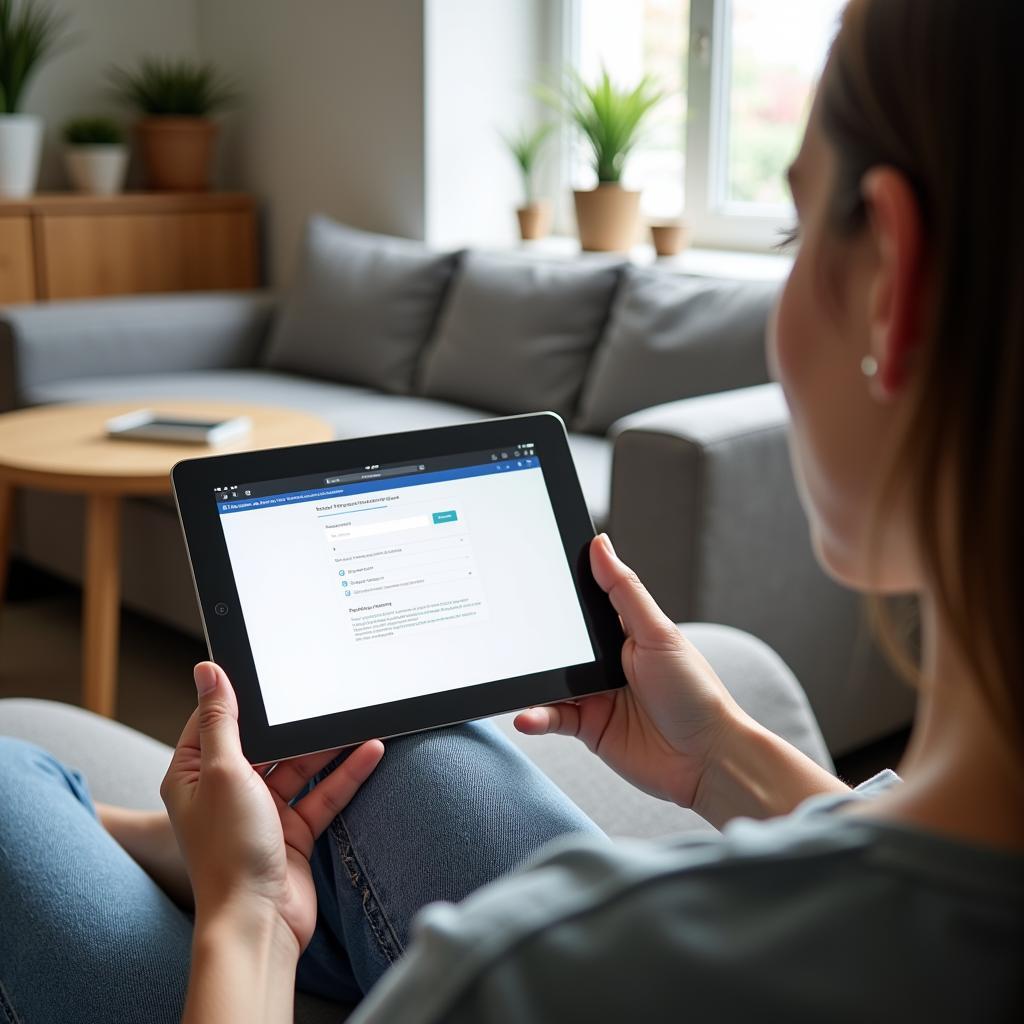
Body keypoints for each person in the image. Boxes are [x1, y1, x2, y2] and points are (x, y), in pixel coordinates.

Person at [1, 0, 1022, 1020]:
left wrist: (251, 917)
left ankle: (187, 852)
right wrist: (716, 751)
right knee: (402, 740)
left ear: (892, 284)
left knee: (9, 786)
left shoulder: (522, 972)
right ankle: (168, 841)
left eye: (796, 229)